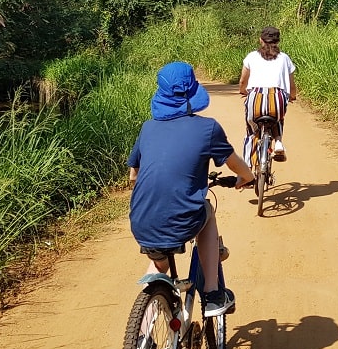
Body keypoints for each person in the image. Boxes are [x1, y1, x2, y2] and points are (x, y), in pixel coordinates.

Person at [127, 61, 254, 318]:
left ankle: (146, 327)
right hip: (183, 219)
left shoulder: (147, 128)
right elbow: (235, 164)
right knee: (206, 211)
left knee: (159, 261)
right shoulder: (207, 128)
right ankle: (213, 293)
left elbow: (133, 176)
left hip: (141, 221)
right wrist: (247, 178)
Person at [238, 25, 297, 163]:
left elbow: (242, 81)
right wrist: (292, 96)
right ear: (278, 41)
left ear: (260, 40)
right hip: (277, 98)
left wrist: (243, 90)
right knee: (278, 117)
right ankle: (278, 142)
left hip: (255, 97)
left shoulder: (252, 57)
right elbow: (292, 85)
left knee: (251, 130)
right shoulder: (284, 58)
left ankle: (248, 166)